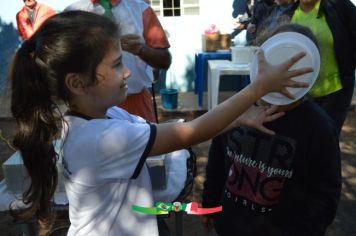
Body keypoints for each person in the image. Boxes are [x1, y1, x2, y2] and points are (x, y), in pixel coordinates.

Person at [9, 11, 312, 235]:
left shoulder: (103, 117)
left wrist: (239, 119)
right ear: (77, 83)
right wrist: (258, 87)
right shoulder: (100, 139)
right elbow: (190, 133)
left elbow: (182, 134)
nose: (126, 73)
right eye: (116, 65)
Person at [202, 24, 341, 236]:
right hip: (230, 226)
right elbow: (217, 160)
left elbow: (324, 195)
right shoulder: (238, 108)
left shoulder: (318, 128)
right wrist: (210, 205)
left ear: (307, 76)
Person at [65, 0, 172, 122]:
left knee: (147, 138)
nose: (126, 73)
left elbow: (164, 60)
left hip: (135, 101)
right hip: (89, 106)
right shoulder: (73, 13)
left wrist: (141, 49)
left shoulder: (141, 9)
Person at [290, 0, 356, 134]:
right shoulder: (287, 13)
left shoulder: (339, 6)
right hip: (299, 94)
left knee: (327, 137)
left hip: (335, 91)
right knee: (303, 138)